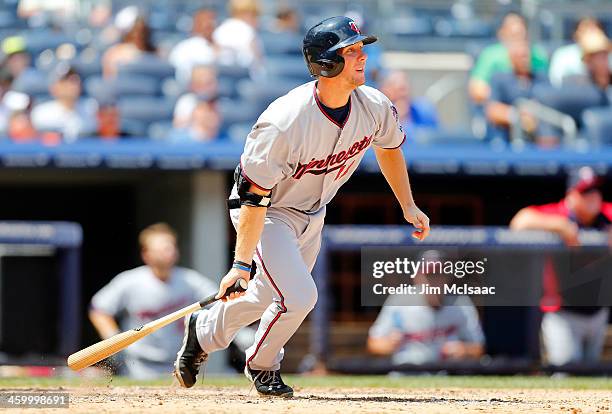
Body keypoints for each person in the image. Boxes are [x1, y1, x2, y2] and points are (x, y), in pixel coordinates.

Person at [173, 16, 430, 398]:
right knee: (299, 296)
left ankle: (204, 331)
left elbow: (390, 148)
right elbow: (254, 196)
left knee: (262, 296)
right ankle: (262, 365)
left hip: (313, 212)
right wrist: (241, 264)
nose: (362, 57)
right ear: (326, 63)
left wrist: (407, 204)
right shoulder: (283, 121)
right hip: (266, 211)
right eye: (351, 51)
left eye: (361, 49)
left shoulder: (374, 105)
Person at [510, 167, 611, 366]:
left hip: (598, 312)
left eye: (595, 191)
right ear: (571, 196)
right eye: (585, 192)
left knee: (595, 379)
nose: (593, 197)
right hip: (562, 314)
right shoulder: (559, 212)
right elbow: (519, 222)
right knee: (566, 373)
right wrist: (558, 225)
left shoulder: (606, 214)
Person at [89, 223, 218, 379]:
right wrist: (113, 338)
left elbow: (220, 301)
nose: (168, 252)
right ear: (146, 253)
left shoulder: (190, 281)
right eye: (162, 248)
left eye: (170, 247)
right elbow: (99, 309)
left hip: (181, 362)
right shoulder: (129, 281)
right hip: (137, 365)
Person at [367, 251, 484, 365]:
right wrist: (389, 344)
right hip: (407, 374)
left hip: (446, 375)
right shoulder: (400, 300)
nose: (434, 282)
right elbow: (373, 344)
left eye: (439, 274)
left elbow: (479, 348)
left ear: (447, 277)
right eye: (429, 275)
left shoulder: (461, 304)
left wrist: (463, 350)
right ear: (417, 277)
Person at [469, 12, 548, 104]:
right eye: (514, 35)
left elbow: (546, 87)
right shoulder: (491, 54)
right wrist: (505, 97)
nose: (519, 38)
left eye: (522, 34)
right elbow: (476, 90)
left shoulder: (538, 54)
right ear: (502, 34)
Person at [485, 40, 552, 145]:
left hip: (538, 137)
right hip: (506, 138)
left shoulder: (541, 79)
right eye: (519, 56)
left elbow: (551, 107)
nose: (524, 59)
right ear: (511, 58)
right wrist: (518, 117)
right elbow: (492, 111)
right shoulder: (499, 78)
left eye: (526, 55)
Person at [30, 63, 97, 142]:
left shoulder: (91, 109)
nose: (72, 84)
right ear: (54, 87)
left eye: (75, 80)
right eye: (66, 80)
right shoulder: (41, 113)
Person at [548, 18, 611, 87]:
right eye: (586, 29)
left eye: (603, 54)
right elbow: (556, 83)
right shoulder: (563, 54)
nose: (589, 32)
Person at [169, 8, 219, 86]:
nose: (210, 25)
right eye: (206, 23)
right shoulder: (186, 47)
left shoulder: (220, 45)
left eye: (212, 23)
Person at [102, 8, 156, 79]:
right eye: (136, 30)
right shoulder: (113, 54)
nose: (140, 34)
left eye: (143, 29)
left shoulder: (156, 53)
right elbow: (110, 82)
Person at [379, 70, 438, 135]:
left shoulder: (424, 110)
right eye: (393, 83)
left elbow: (435, 137)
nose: (402, 88)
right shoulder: (376, 115)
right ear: (383, 89)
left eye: (405, 82)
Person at [213, 0, 264, 71]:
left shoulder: (220, 28)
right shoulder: (248, 30)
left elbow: (215, 54)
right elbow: (258, 59)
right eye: (254, 15)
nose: (256, 19)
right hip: (244, 75)